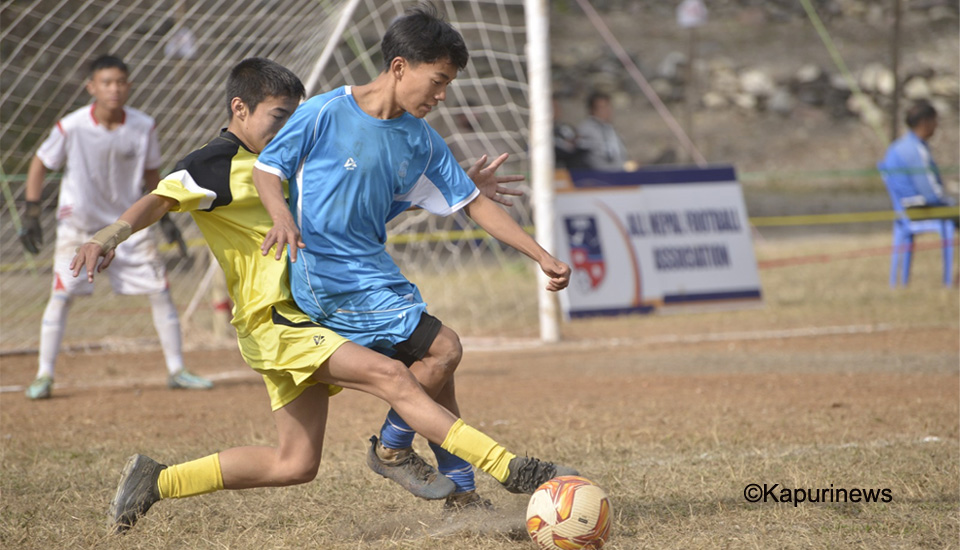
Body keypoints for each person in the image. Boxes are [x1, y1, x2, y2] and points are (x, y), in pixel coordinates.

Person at [71, 57, 576, 534]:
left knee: (296, 462)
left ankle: (156, 482)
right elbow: (157, 200)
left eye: (293, 116)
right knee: (399, 372)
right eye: (278, 116)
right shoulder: (216, 165)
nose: (287, 126)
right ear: (239, 109)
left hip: (318, 310)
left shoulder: (297, 157)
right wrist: (105, 237)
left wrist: (460, 188)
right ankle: (508, 469)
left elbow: (355, 208)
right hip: (275, 321)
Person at [252, 5, 572, 511]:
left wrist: (541, 255)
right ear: (399, 67)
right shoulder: (324, 112)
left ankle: (462, 497)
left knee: (438, 371)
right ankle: (391, 448)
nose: (442, 96)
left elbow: (474, 203)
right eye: (438, 81)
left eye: (448, 85)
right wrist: (282, 217)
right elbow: (267, 170)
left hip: (374, 275)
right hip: (326, 277)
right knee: (444, 348)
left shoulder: (421, 140)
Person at [17, 54, 211, 400]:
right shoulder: (71, 126)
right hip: (79, 228)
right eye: (106, 82)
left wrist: (165, 218)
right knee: (61, 295)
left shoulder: (144, 126)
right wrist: (31, 210)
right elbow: (41, 162)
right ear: (91, 87)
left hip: (126, 227)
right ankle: (44, 376)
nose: (114, 89)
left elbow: (152, 173)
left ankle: (177, 370)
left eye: (120, 82)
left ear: (129, 85)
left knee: (160, 290)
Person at [880, 100, 959, 225]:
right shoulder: (915, 149)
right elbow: (929, 191)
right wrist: (950, 202)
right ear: (924, 122)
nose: (937, 125)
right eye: (934, 120)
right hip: (919, 208)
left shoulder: (899, 146)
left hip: (906, 207)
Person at [576, 91, 633, 172]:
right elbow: (594, 157)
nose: (607, 111)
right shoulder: (586, 129)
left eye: (608, 106)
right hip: (599, 174)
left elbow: (620, 153)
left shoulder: (610, 129)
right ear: (592, 110)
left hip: (619, 172)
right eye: (602, 107)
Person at [553, 94, 588, 170]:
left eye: (557, 107)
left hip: (570, 170)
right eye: (552, 107)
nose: (555, 110)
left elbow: (580, 143)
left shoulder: (565, 128)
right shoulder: (536, 132)